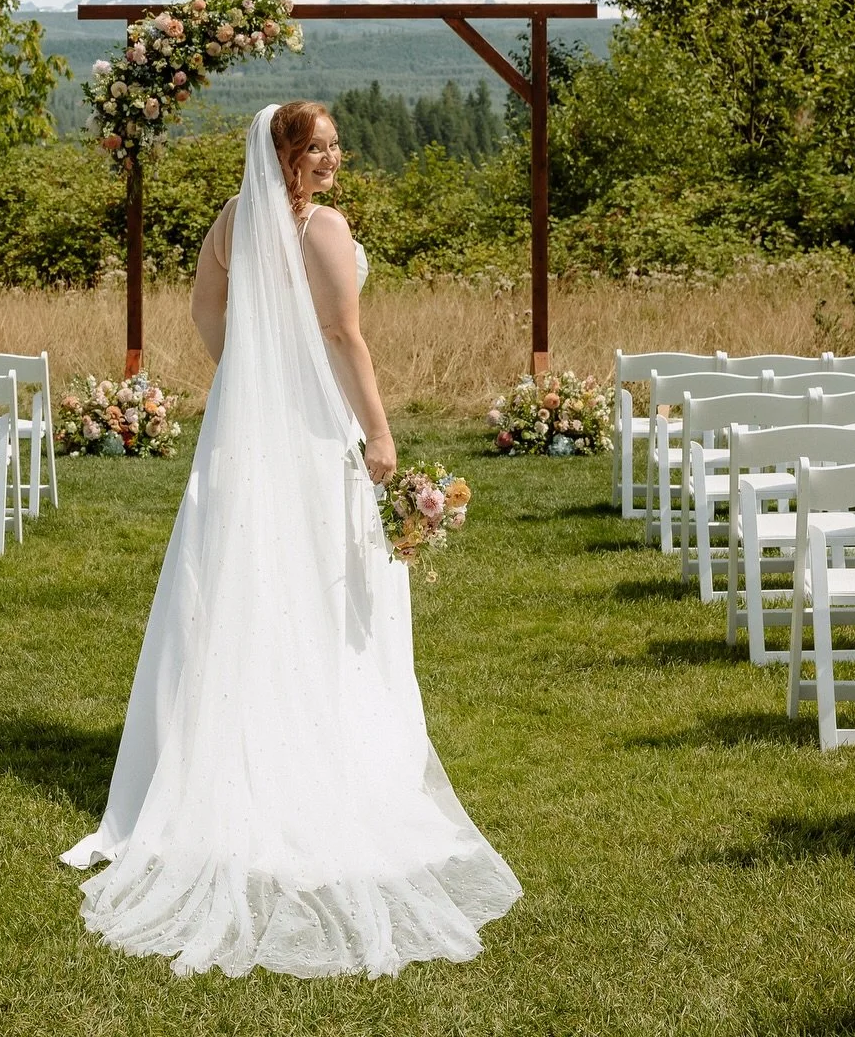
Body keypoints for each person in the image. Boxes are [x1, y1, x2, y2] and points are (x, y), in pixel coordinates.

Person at [61, 101, 521, 978]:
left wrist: (249, 375)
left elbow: (205, 309)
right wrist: (380, 435)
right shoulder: (322, 229)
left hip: (248, 427)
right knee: (319, 580)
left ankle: (225, 746)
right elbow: (347, 335)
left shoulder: (232, 221)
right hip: (313, 430)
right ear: (285, 156)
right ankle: (325, 748)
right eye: (319, 150)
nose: (334, 162)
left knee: (238, 573)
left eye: (338, 148)